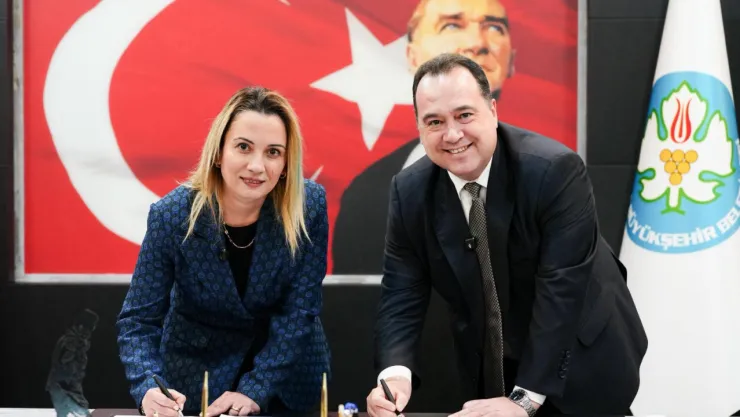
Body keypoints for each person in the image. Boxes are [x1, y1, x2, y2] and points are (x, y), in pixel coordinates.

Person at [366, 54, 648, 417]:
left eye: (464, 115)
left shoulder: (554, 170)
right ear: (419, 128)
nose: (452, 135)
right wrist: (395, 376)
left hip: (580, 357)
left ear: (493, 111)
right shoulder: (410, 191)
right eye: (434, 121)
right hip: (494, 365)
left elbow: (562, 290)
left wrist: (525, 400)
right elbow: (401, 293)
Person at [116, 86, 331, 417]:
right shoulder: (171, 216)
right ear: (218, 153)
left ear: (286, 163)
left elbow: (300, 311)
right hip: (199, 376)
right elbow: (138, 320)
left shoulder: (310, 205)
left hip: (287, 378)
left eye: (273, 152)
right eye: (243, 147)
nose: (257, 166)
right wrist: (147, 386)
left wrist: (255, 389)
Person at [332, 0, 517, 273]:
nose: (477, 43)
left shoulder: (549, 176)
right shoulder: (368, 194)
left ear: (512, 59)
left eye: (494, 27)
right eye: (451, 25)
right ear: (412, 56)